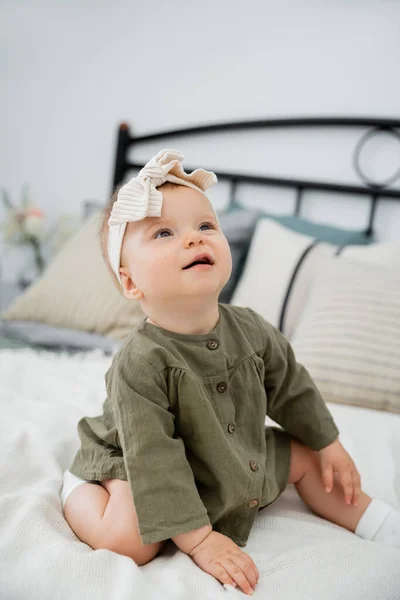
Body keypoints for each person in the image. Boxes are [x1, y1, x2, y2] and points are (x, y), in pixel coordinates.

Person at [61, 149, 400, 596]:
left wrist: (328, 442)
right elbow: (155, 458)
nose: (193, 239)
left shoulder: (251, 328)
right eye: (163, 232)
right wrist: (201, 540)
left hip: (227, 451)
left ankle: (381, 523)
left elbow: (292, 388)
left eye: (205, 226)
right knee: (129, 542)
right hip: (138, 458)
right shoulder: (139, 363)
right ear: (130, 283)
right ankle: (77, 489)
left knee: (308, 456)